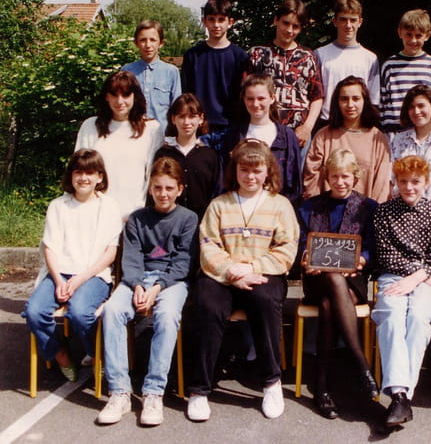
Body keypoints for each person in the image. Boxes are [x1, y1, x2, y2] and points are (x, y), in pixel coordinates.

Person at [187, 139, 299, 422]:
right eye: (244, 170)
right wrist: (230, 271)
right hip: (222, 275)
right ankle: (199, 389)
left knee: (264, 301)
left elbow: (287, 248)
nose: (250, 176)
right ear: (234, 171)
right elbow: (209, 245)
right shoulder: (219, 204)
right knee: (207, 305)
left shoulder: (280, 205)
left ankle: (271, 383)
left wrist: (251, 267)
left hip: (263, 273)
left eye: (257, 170)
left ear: (267, 171)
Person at [97, 157, 198, 426]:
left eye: (169, 188)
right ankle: (119, 392)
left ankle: (153, 392)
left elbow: (183, 263)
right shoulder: (137, 219)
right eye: (157, 188)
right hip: (138, 280)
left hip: (171, 282)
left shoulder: (188, 219)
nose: (163, 194)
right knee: (112, 311)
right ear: (150, 188)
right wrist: (138, 285)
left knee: (167, 316)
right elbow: (131, 258)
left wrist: (156, 288)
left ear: (179, 189)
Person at [23, 149, 121, 381]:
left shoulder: (109, 206)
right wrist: (58, 280)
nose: (83, 178)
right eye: (78, 172)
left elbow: (111, 252)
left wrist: (80, 279)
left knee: (80, 313)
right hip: (59, 273)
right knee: (34, 312)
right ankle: (60, 354)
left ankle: (96, 353)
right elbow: (50, 248)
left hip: (93, 275)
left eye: (90, 172)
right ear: (71, 175)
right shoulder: (58, 206)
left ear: (100, 177)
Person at [297, 149, 379, 419]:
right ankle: (361, 364)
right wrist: (305, 257)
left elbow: (372, 247)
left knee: (328, 305)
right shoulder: (309, 206)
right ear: (327, 177)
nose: (340, 182)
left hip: (353, 279)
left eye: (345, 176)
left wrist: (362, 260)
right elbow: (299, 244)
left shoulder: (368, 207)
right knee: (332, 278)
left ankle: (321, 387)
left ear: (355, 177)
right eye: (334, 176)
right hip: (317, 278)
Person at [371, 155, 431, 428]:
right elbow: (386, 255)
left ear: (426, 183)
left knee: (417, 316)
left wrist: (418, 277)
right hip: (395, 277)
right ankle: (400, 395)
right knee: (392, 315)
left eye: (415, 181)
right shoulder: (384, 212)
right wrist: (420, 272)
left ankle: (401, 395)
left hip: (425, 280)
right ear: (395, 183)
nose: (409, 187)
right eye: (403, 181)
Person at [75, 70, 163, 221]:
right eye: (114, 95)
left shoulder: (152, 129)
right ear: (106, 97)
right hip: (95, 214)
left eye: (126, 95)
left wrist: (140, 212)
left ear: (135, 96)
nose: (119, 101)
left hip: (135, 215)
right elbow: (78, 171)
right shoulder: (90, 126)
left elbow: (152, 174)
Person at [202, 73, 301, 202]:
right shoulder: (233, 136)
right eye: (250, 99)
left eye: (261, 98)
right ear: (243, 99)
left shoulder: (287, 136)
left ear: (272, 98)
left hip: (276, 206)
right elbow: (224, 180)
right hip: (240, 206)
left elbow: (294, 183)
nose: (255, 104)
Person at [245, 0, 324, 147]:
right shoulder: (258, 55)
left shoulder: (308, 57)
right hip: (264, 132)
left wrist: (307, 128)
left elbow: (317, 97)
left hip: (298, 135)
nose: (289, 30)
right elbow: (244, 94)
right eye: (285, 23)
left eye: (295, 26)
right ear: (276, 20)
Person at [304, 76, 391, 203]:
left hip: (366, 210)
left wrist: (374, 210)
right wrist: (316, 208)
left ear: (364, 101)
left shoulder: (377, 138)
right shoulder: (323, 136)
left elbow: (382, 184)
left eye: (356, 98)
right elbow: (312, 178)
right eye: (344, 99)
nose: (350, 105)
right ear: (337, 102)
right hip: (327, 210)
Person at [182, 0, 248, 132]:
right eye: (211, 19)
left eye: (221, 20)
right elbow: (186, 93)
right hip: (199, 126)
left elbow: (244, 94)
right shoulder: (193, 55)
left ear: (230, 22)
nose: (216, 25)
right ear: (204, 21)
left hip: (231, 126)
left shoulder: (240, 56)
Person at [314, 0, 380, 132]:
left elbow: (373, 99)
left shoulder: (370, 58)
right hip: (327, 124)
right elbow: (315, 95)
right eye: (343, 19)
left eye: (353, 20)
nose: (348, 25)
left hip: (358, 125)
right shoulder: (320, 54)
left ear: (360, 22)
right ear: (335, 22)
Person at [379, 9, 431, 134]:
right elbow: (383, 103)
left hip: (425, 132)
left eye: (418, 36)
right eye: (409, 35)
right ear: (400, 32)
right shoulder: (390, 65)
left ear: (427, 35)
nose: (413, 40)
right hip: (395, 131)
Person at [154, 93, 219, 219]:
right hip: (167, 221)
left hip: (201, 221)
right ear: (173, 119)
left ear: (201, 119)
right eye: (181, 116)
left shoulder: (209, 155)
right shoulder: (164, 154)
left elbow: (215, 192)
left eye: (192, 116)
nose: (186, 122)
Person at [121, 20, 181, 132]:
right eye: (143, 40)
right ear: (136, 43)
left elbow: (177, 108)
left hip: (163, 135)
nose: (148, 45)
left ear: (161, 43)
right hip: (133, 133)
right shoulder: (127, 71)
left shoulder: (171, 72)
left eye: (153, 40)